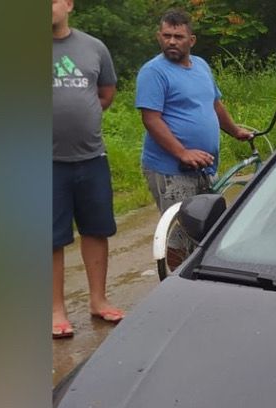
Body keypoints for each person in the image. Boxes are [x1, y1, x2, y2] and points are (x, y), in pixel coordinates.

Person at [135, 9, 253, 269]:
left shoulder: (201, 66)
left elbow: (214, 104)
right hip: (171, 169)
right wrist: (182, 152)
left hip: (203, 166)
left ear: (192, 40)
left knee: (205, 227)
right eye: (166, 36)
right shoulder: (153, 72)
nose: (172, 41)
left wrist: (234, 131)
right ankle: (179, 284)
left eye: (178, 36)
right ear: (159, 36)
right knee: (182, 232)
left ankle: (200, 275)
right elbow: (151, 119)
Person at [52, 0, 122, 338]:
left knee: (96, 230)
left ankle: (99, 300)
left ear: (68, 4)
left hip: (92, 157)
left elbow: (106, 94)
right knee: (50, 239)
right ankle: (56, 310)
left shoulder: (94, 47)